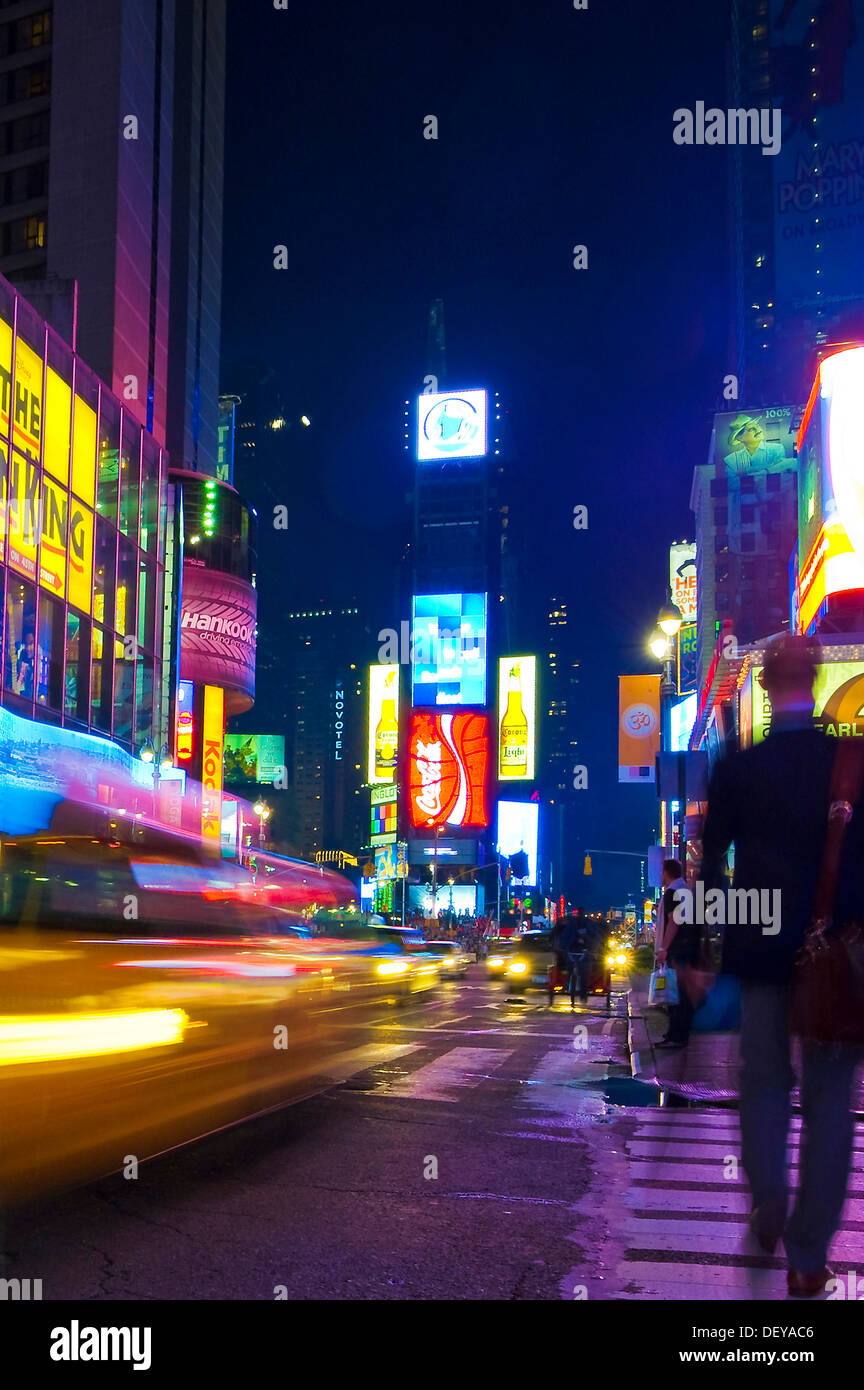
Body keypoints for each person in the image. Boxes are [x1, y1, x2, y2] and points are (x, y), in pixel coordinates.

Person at [701, 634, 864, 1298]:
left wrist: (702, 952)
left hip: (760, 942)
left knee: (763, 1083)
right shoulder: (851, 761)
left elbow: (711, 864)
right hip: (836, 951)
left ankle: (768, 1193)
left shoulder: (738, 766)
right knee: (831, 1105)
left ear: (764, 686)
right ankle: (807, 1255)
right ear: (820, 677)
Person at [655, 858, 700, 1048]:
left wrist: (664, 948)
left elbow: (674, 922)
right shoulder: (686, 891)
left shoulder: (672, 892)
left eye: (662, 872)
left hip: (677, 948)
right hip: (688, 947)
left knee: (675, 995)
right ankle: (679, 1034)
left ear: (666, 872)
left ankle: (676, 1036)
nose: (660, 876)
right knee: (682, 995)